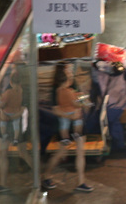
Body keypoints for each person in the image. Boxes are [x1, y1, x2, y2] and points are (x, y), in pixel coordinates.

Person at [43, 62, 92, 194]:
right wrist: (71, 115)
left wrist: (83, 103)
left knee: (80, 152)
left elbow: (80, 98)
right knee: (61, 152)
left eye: (70, 69)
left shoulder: (72, 83)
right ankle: (46, 175)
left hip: (77, 122)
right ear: (61, 73)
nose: (71, 71)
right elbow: (55, 110)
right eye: (68, 69)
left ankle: (81, 182)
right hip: (66, 124)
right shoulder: (56, 89)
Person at [0, 66, 32, 193]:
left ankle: (3, 184)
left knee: (3, 154)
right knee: (23, 152)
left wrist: (0, 108)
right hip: (19, 124)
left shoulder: (9, 91)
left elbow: (1, 105)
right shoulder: (25, 91)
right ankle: (38, 177)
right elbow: (24, 109)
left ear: (11, 81)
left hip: (7, 123)